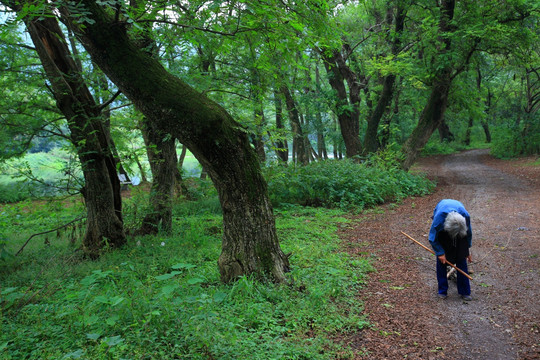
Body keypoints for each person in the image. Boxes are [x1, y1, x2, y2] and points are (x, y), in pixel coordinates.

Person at [428, 199, 473, 301]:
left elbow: (468, 233)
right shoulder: (439, 218)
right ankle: (442, 291)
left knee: (461, 259)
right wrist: (440, 253)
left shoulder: (465, 216)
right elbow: (432, 237)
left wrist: (467, 250)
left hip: (459, 223)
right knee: (442, 262)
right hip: (444, 224)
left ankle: (464, 292)